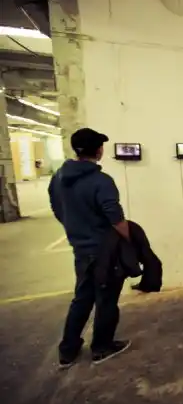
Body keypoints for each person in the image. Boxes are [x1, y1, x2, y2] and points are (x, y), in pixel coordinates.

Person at [48, 128, 131, 369]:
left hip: (81, 250)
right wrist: (129, 239)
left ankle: (68, 351)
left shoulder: (58, 178)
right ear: (98, 150)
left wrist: (77, 229)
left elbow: (57, 208)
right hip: (104, 250)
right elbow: (115, 217)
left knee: (82, 299)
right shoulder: (101, 181)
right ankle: (102, 347)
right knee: (106, 299)